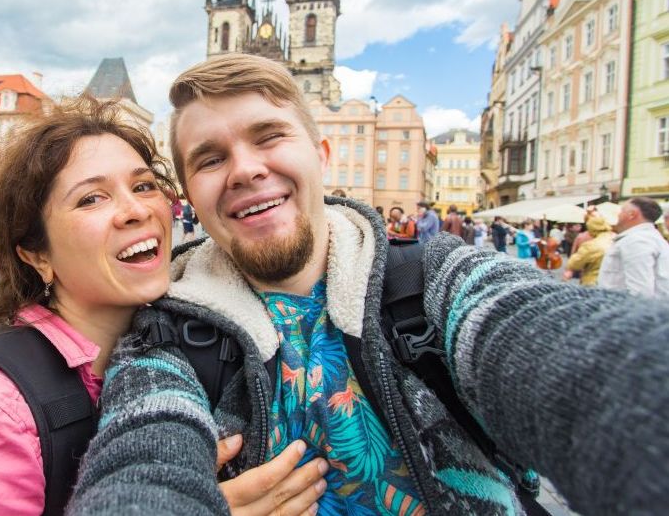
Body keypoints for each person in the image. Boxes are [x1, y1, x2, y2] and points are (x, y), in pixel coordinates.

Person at [66, 54, 669, 516]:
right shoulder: (168, 334)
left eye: (269, 136)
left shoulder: (433, 281)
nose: (246, 169)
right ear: (189, 196)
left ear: (323, 155)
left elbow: (563, 350)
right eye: (210, 159)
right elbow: (141, 459)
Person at [0, 98, 317, 515]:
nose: (136, 210)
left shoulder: (200, 346)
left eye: (144, 186)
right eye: (91, 198)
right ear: (36, 255)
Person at [597, 196, 669, 297]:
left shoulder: (637, 241)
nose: (618, 214)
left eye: (622, 210)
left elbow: (640, 292)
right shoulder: (649, 238)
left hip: (623, 305)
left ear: (632, 214)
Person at [562, 216, 614, 286]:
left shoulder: (591, 245)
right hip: (615, 282)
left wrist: (569, 269)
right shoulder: (616, 239)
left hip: (593, 282)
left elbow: (575, 262)